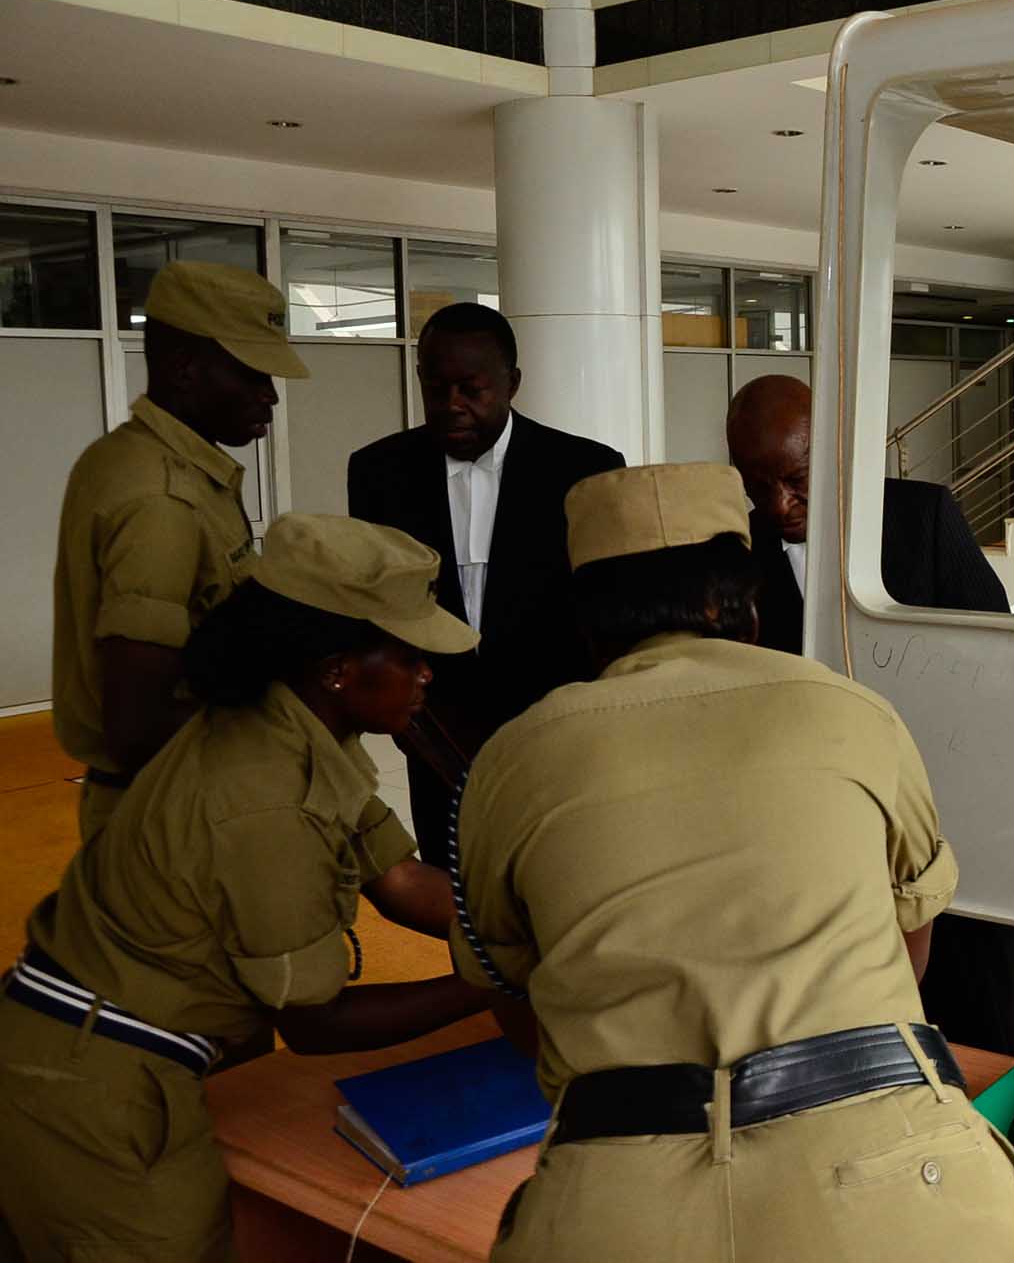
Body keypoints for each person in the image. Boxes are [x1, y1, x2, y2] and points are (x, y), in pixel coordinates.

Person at [448, 463, 1014, 1262]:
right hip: (900, 1188)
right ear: (744, 602)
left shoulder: (510, 761)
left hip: (618, 1205)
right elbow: (911, 945)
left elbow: (515, 1001)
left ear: (585, 615)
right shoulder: (854, 711)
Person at [0, 515, 497, 1263]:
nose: (427, 673)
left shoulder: (295, 723)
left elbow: (398, 878)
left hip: (93, 1047)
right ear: (337, 668)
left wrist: (526, 925)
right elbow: (316, 1023)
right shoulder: (265, 799)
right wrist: (496, 977)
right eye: (408, 654)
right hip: (89, 1081)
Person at [725, 373, 1014, 1056]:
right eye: (756, 485)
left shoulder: (922, 519)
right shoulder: (734, 557)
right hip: (814, 870)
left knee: (990, 1051)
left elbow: (1003, 670)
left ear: (835, 449)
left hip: (949, 852)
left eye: (796, 480)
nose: (779, 505)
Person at [347, 303, 624, 863]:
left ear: (512, 383)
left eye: (472, 389)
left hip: (553, 726)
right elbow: (376, 605)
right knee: (456, 879)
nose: (452, 405)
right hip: (436, 731)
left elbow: (603, 606)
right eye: (436, 388)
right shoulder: (379, 472)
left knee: (556, 871)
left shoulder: (585, 469)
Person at [51, 260, 309, 840]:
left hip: (172, 795)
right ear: (184, 367)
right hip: (169, 812)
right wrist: (292, 727)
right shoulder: (161, 498)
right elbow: (138, 727)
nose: (269, 395)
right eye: (251, 374)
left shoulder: (128, 456)